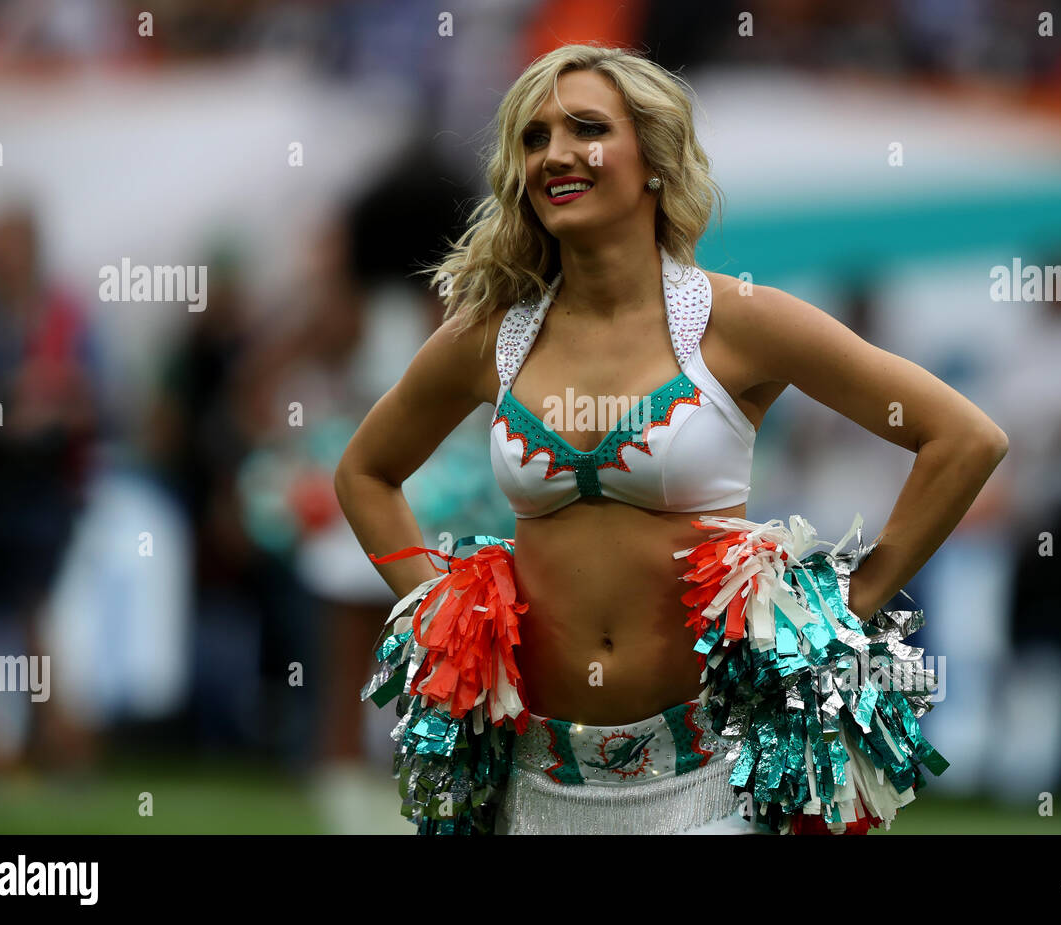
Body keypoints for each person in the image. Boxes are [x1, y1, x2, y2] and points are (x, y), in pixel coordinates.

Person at [334, 43, 1008, 835]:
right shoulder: (491, 336)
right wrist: (444, 620)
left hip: (712, 777)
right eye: (534, 137)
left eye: (586, 127)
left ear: (653, 158)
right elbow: (366, 473)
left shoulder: (738, 320)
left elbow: (963, 437)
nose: (555, 153)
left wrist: (846, 610)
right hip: (534, 782)